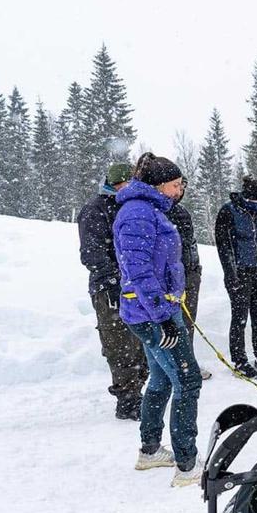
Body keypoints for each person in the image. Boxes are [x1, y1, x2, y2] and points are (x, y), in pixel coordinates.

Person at [113, 155, 202, 487]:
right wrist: (162, 317)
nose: (180, 190)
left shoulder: (151, 210)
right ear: (157, 185)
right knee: (188, 381)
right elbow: (138, 272)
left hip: (159, 309)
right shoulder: (137, 214)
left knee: (162, 381)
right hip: (153, 314)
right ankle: (187, 464)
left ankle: (150, 451)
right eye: (176, 184)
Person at [78, 163, 148, 419]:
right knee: (118, 343)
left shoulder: (132, 206)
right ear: (117, 184)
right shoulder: (96, 210)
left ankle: (139, 387)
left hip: (136, 284)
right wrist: (115, 278)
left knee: (140, 340)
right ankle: (127, 399)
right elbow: (91, 253)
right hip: (110, 288)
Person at [136, 153, 210, 381]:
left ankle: (187, 361)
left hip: (188, 273)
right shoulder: (150, 212)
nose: (179, 191)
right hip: (163, 281)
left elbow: (188, 244)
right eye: (175, 186)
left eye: (182, 186)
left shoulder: (181, 212)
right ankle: (169, 369)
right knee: (164, 325)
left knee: (186, 323)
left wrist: (194, 269)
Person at [215, 176, 257, 377]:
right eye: (256, 202)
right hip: (239, 272)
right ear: (246, 198)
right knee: (240, 318)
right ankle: (240, 360)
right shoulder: (228, 211)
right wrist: (231, 273)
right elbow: (223, 246)